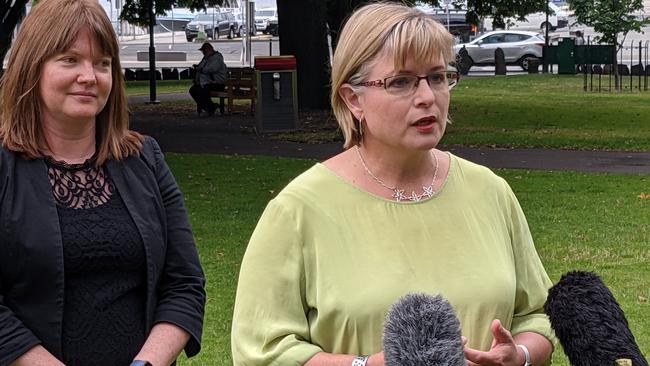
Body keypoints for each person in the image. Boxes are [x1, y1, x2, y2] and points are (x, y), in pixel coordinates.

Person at [232, 3, 555, 366]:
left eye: (437, 77)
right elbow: (263, 352)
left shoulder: (491, 192)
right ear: (353, 99)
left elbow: (538, 315)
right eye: (401, 82)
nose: (427, 97)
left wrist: (521, 355)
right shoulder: (297, 211)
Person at [0, 0, 206, 365]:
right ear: (32, 68)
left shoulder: (145, 159)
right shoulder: (5, 168)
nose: (89, 76)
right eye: (70, 59)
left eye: (102, 63)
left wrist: (146, 363)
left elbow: (184, 284)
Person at [189, 42, 228, 116]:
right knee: (193, 90)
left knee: (202, 91)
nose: (203, 53)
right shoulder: (206, 57)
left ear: (210, 50)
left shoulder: (217, 58)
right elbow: (201, 67)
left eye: (204, 51)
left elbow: (211, 69)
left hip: (217, 83)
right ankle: (210, 107)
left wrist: (200, 69)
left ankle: (210, 108)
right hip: (208, 83)